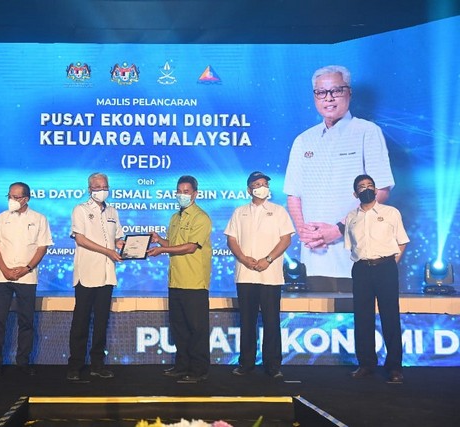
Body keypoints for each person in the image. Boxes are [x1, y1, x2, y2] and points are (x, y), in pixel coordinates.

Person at [283, 65, 395, 292]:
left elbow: (381, 191)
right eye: (321, 92)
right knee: (314, 309)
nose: (329, 98)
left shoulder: (367, 131)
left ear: (349, 93)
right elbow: (293, 195)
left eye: (336, 90)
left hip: (357, 254)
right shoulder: (303, 140)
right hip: (313, 255)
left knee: (358, 310)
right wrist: (304, 232)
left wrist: (338, 230)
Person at [224, 171, 295, 379]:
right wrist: (244, 258)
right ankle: (246, 363)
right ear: (249, 190)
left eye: (265, 184)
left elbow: (285, 239)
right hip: (245, 275)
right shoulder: (239, 212)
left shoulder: (278, 211)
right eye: (257, 184)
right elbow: (231, 239)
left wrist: (268, 259)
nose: (262, 187)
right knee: (247, 321)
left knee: (271, 321)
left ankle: (273, 365)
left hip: (270, 275)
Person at [147, 175, 212, 383]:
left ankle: (198, 370)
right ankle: (182, 365)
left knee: (196, 329)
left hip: (194, 282)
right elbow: (174, 244)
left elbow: (191, 247)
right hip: (175, 280)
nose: (182, 195)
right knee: (179, 328)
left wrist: (162, 249)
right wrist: (160, 240)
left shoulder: (201, 217)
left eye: (186, 191)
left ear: (195, 194)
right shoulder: (175, 218)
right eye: (179, 191)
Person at [344, 174, 408, 384]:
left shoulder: (390, 212)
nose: (366, 189)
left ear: (376, 189)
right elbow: (351, 246)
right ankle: (366, 364)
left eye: (370, 185)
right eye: (362, 187)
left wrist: (390, 263)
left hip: (385, 267)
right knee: (362, 318)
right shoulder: (351, 217)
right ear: (355, 193)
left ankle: (394, 367)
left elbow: (402, 241)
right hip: (361, 269)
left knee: (390, 316)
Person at [0, 182, 53, 378]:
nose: (11, 200)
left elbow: (42, 247)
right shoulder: (1, 218)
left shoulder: (39, 219)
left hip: (27, 277)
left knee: (26, 321)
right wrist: (5, 269)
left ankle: (23, 361)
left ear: (26, 199)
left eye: (15, 197)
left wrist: (26, 268)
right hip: (1, 276)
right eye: (9, 196)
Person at [67, 172, 124, 381]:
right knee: (81, 321)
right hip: (87, 273)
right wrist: (107, 251)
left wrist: (127, 246)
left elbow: (117, 238)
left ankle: (97, 364)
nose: (101, 190)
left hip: (107, 275)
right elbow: (80, 239)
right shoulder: (80, 210)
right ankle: (75, 365)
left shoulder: (112, 211)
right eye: (97, 187)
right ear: (89, 189)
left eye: (104, 186)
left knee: (101, 322)